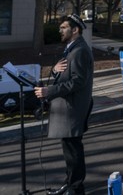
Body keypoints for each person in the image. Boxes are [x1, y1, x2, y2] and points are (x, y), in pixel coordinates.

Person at [34, 14, 94, 195]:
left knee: (73, 150)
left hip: (72, 108)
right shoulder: (71, 48)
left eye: (63, 27)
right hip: (67, 108)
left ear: (75, 30)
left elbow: (78, 82)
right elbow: (65, 74)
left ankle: (76, 188)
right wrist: (54, 70)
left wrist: (49, 91)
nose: (60, 30)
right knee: (69, 149)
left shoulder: (80, 50)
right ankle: (69, 183)